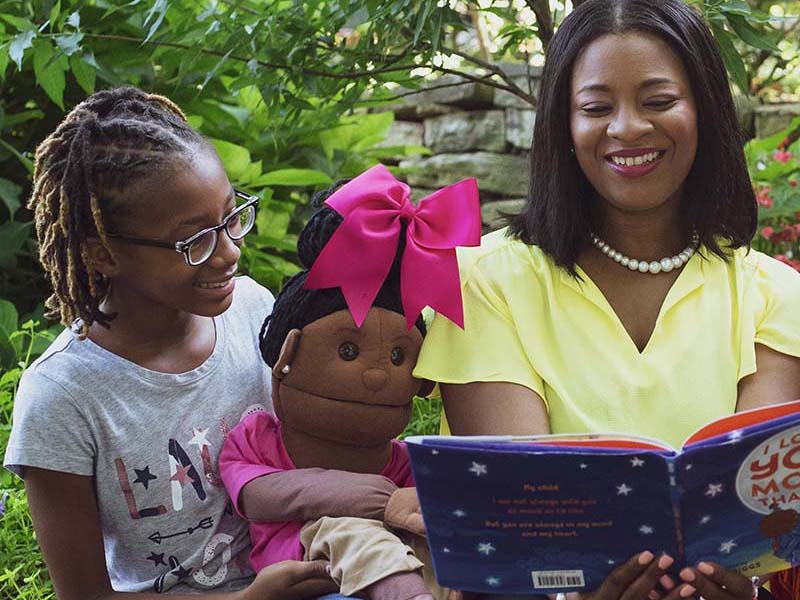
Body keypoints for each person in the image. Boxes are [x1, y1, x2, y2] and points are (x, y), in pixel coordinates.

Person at [412, 1, 800, 599]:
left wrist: (740, 591)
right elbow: (526, 526)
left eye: (657, 101)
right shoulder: (486, 282)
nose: (627, 128)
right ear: (563, 126)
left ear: (706, 112)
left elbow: (755, 518)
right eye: (596, 107)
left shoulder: (777, 294)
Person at [2, 86, 350, 600]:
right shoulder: (63, 397)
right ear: (103, 255)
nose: (230, 251)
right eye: (195, 240)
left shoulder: (252, 308)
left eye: (232, 217)